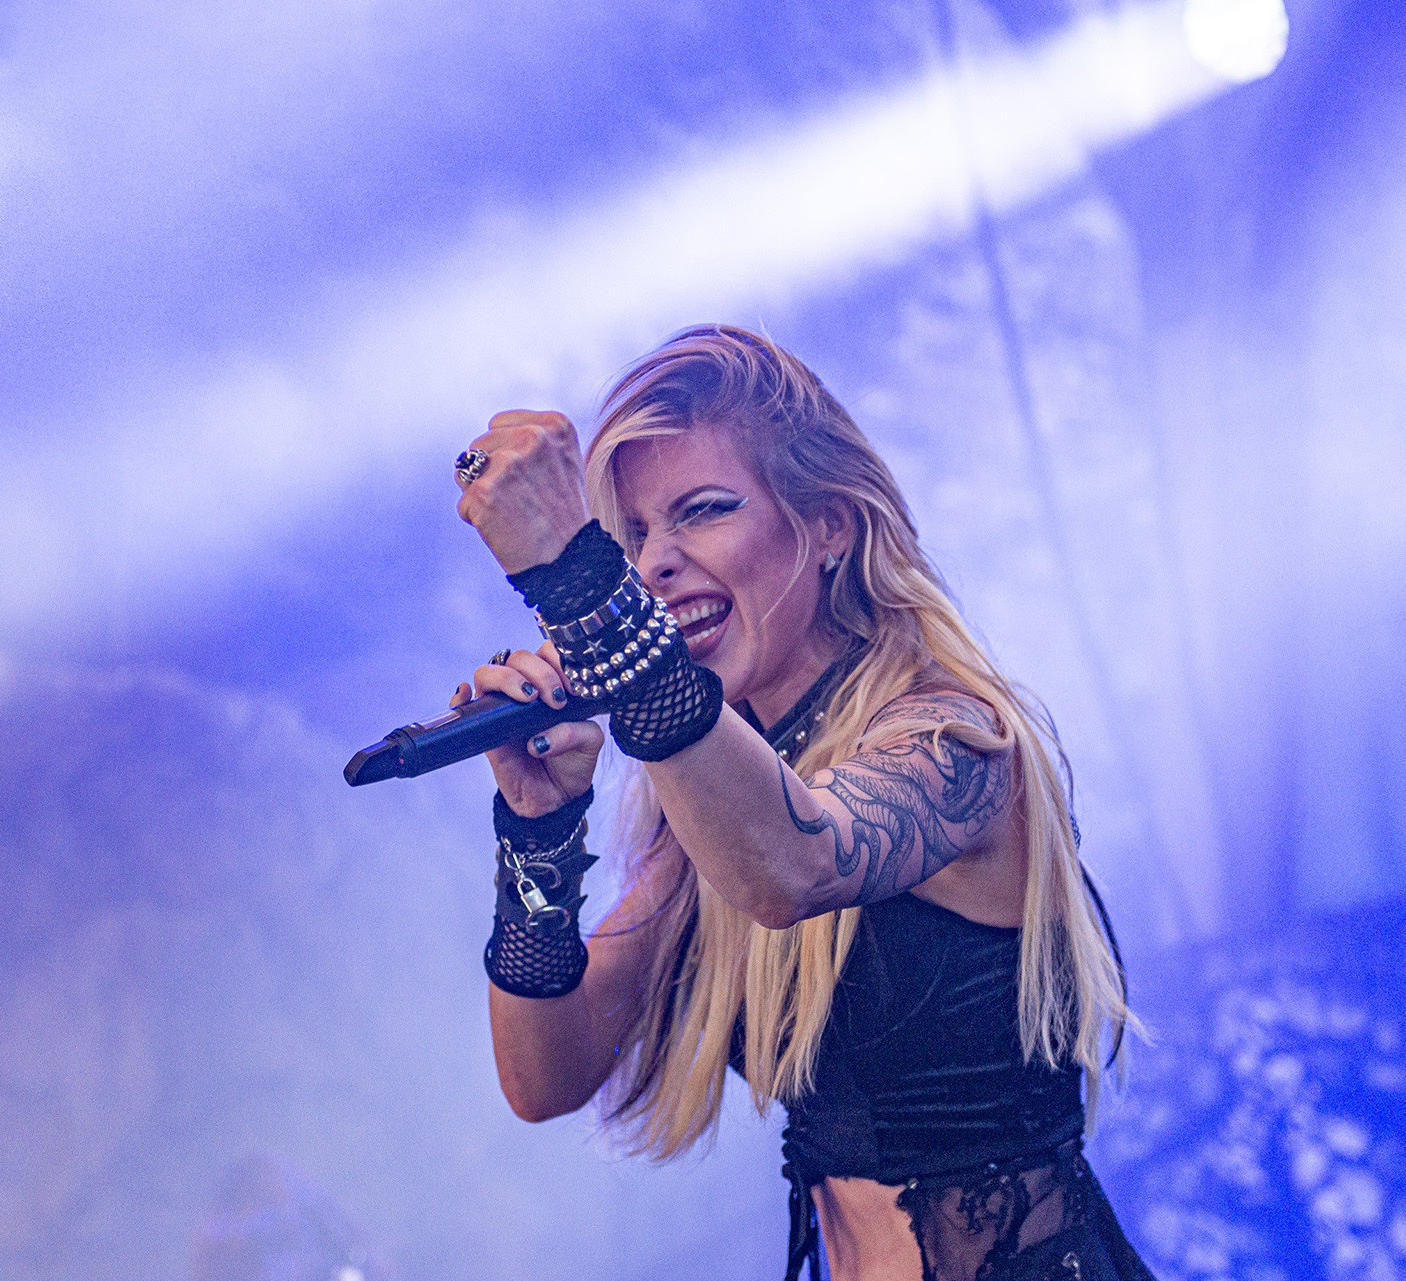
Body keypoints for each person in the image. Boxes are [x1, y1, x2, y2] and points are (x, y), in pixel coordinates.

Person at [448, 325, 1153, 1281]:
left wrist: (581, 582)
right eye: (633, 537)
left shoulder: (956, 737)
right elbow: (545, 1073)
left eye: (702, 511)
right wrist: (538, 830)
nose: (654, 564)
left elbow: (795, 863)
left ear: (829, 525)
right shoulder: (708, 812)